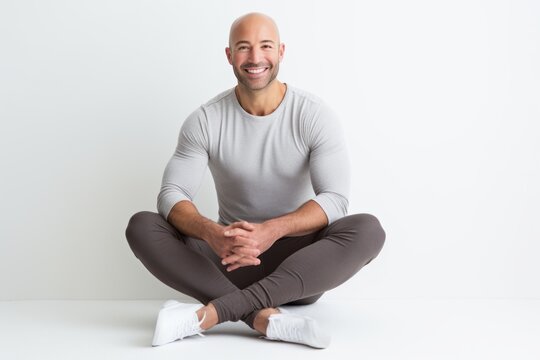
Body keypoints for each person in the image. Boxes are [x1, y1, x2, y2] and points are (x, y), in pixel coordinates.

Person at [125, 12, 385, 349]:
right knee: (142, 225)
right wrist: (211, 233)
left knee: (368, 229)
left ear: (281, 52)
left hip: (298, 267)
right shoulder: (206, 119)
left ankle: (211, 314)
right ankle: (265, 319)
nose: (255, 58)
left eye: (265, 46)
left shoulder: (313, 115)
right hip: (227, 259)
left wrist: (273, 230)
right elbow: (171, 193)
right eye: (244, 48)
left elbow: (334, 198)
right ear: (229, 55)